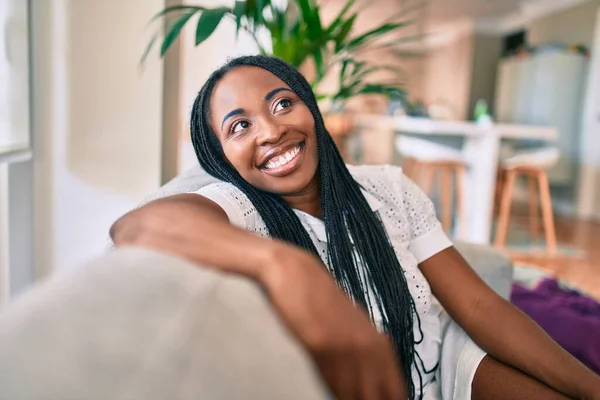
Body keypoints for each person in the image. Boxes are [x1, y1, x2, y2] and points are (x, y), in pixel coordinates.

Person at [110, 55, 600, 399]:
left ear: (312, 111)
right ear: (222, 157)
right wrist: (283, 266)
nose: (271, 129)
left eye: (283, 104)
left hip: (439, 363)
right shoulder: (239, 207)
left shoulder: (388, 188)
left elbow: (475, 303)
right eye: (240, 125)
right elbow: (136, 227)